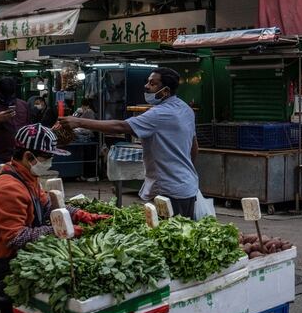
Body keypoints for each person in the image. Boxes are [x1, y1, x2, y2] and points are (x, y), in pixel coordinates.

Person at [0, 124, 109, 313]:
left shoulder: (28, 177)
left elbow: (45, 208)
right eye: (47, 157)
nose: (50, 162)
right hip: (7, 265)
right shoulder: (8, 188)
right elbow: (15, 237)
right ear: (28, 156)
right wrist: (59, 232)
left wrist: (79, 214)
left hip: (26, 259)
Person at [60, 68, 200, 218]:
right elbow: (194, 147)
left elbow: (121, 126)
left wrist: (79, 121)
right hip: (188, 185)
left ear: (165, 91)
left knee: (171, 235)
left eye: (153, 84)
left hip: (170, 190)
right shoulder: (186, 109)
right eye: (147, 81)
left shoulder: (158, 114)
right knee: (184, 232)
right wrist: (185, 171)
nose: (146, 86)